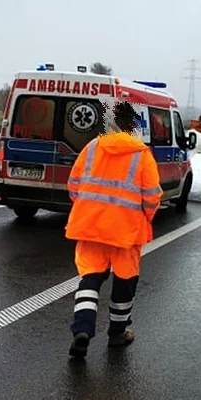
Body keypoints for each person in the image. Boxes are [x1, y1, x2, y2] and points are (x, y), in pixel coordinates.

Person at [64, 100, 163, 357]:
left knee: (90, 277)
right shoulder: (141, 155)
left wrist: (89, 207)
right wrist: (144, 218)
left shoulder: (92, 148)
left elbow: (74, 185)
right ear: (133, 126)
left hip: (89, 226)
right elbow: (152, 197)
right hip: (126, 231)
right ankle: (117, 334)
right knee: (124, 281)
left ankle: (82, 330)